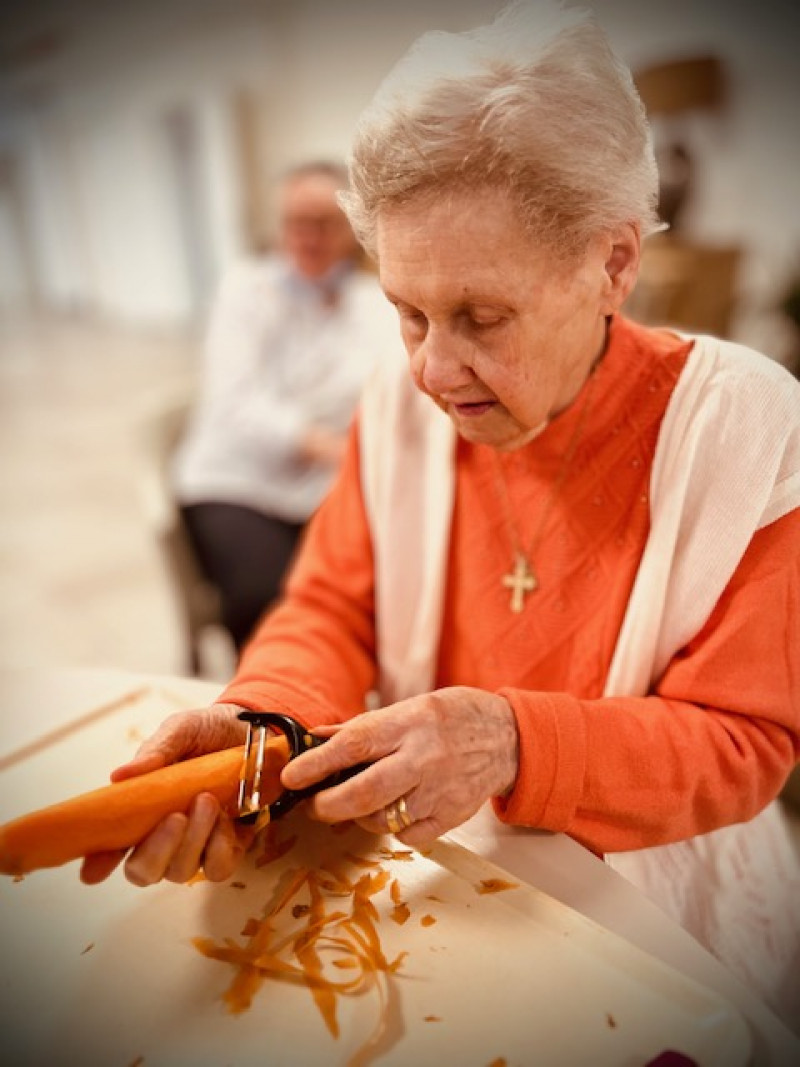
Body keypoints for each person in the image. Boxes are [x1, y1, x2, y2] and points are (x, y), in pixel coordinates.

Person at [84, 1, 800, 1026]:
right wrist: (260, 725)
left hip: (658, 909)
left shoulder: (748, 424)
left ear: (611, 263)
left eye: (479, 317)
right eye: (406, 311)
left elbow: (744, 743)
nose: (428, 369)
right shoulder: (402, 400)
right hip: (442, 886)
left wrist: (512, 740)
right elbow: (331, 605)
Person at [172, 160, 397, 651]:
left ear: (351, 228)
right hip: (236, 481)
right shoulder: (244, 289)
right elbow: (235, 402)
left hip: (322, 486)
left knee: (380, 585)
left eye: (324, 223)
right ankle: (263, 711)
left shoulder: (372, 299)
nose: (308, 236)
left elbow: (384, 385)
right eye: (296, 222)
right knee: (271, 600)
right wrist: (323, 444)